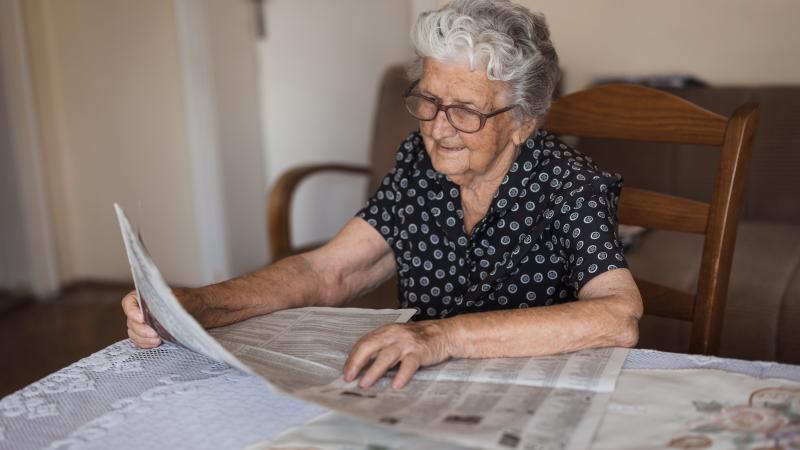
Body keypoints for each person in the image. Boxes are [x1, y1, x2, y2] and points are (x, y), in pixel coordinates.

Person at [122, 0, 642, 390]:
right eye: (430, 101)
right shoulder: (420, 166)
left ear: (523, 122)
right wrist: (197, 306)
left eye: (466, 111)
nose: (439, 129)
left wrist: (441, 336)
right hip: (413, 390)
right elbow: (330, 271)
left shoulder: (569, 184)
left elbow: (617, 315)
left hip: (530, 394)